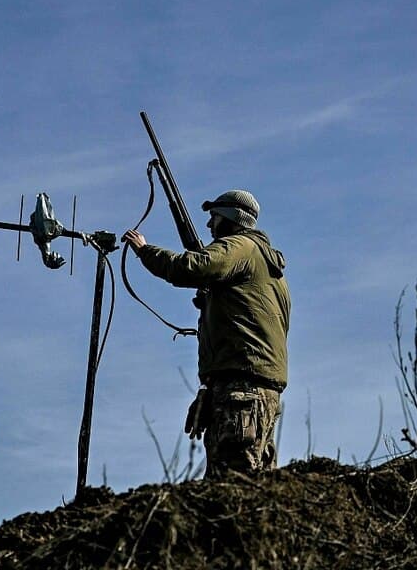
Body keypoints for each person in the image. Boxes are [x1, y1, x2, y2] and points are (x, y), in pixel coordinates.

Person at [121, 190, 290, 477]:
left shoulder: (240, 247)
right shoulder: (271, 271)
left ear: (231, 219)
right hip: (257, 388)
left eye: (214, 217)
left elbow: (190, 266)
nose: (210, 226)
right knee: (253, 484)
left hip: (242, 388)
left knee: (233, 485)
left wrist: (144, 250)